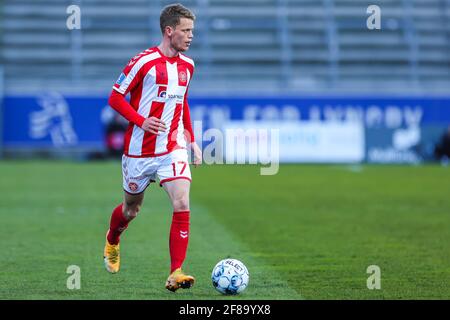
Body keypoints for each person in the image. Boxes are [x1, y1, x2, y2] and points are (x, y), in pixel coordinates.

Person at [104, 3, 202, 292]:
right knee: (131, 210)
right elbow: (115, 97)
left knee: (182, 202)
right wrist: (141, 120)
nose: (190, 36)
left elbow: (182, 101)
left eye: (192, 31)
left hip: (172, 147)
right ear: (169, 31)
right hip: (139, 152)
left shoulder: (189, 66)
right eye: (186, 31)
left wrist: (192, 140)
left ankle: (175, 272)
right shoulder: (142, 62)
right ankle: (112, 238)